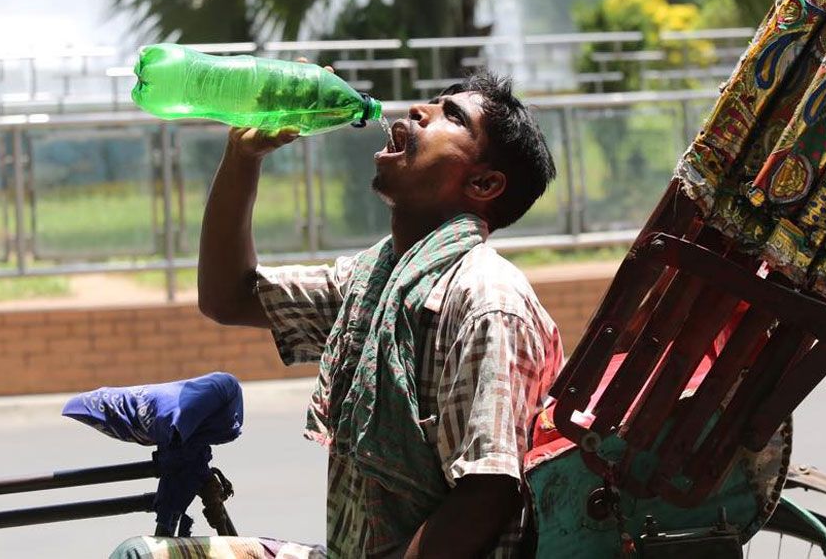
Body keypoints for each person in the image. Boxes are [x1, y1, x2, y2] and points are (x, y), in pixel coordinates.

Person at [113, 71, 560, 559]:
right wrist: (243, 157)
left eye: (452, 116)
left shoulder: (487, 300)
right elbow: (228, 296)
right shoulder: (375, 280)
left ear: (484, 182)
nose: (419, 111)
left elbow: (486, 493)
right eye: (431, 101)